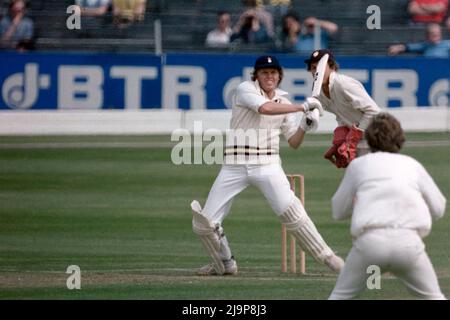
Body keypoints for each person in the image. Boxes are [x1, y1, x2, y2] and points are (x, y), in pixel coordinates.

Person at [191, 55, 344, 276]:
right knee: (205, 223)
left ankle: (329, 258)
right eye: (264, 73)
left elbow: (293, 142)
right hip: (234, 163)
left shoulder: (284, 101)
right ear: (257, 75)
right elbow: (264, 108)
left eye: (273, 73)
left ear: (279, 76)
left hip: (268, 163)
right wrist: (302, 107)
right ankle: (226, 263)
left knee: (292, 212)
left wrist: (306, 124)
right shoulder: (245, 89)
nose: (269, 77)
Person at [329, 112, 447, 300]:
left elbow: (337, 211)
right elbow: (439, 207)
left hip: (370, 243)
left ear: (369, 139)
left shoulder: (358, 166)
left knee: (339, 296)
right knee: (434, 297)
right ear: (400, 138)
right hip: (408, 243)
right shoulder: (412, 165)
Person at [304, 49, 380, 168]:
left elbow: (374, 112)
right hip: (357, 140)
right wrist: (341, 140)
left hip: (375, 138)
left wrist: (354, 137)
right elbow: (341, 113)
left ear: (332, 67)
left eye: (320, 67)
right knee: (356, 180)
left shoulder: (343, 84)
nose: (316, 72)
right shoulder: (318, 91)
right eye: (313, 68)